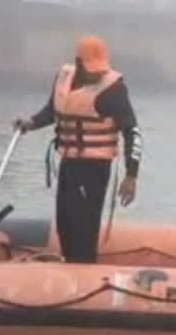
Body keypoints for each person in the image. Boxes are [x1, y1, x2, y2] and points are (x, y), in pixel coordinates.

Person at [14, 35, 143, 264]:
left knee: (83, 227)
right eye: (91, 68)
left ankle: (83, 269)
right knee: (64, 224)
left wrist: (131, 175)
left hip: (94, 169)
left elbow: (132, 131)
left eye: (99, 68)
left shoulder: (113, 90)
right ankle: (71, 270)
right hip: (68, 164)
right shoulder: (64, 78)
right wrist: (31, 122)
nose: (96, 73)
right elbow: (52, 112)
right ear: (78, 62)